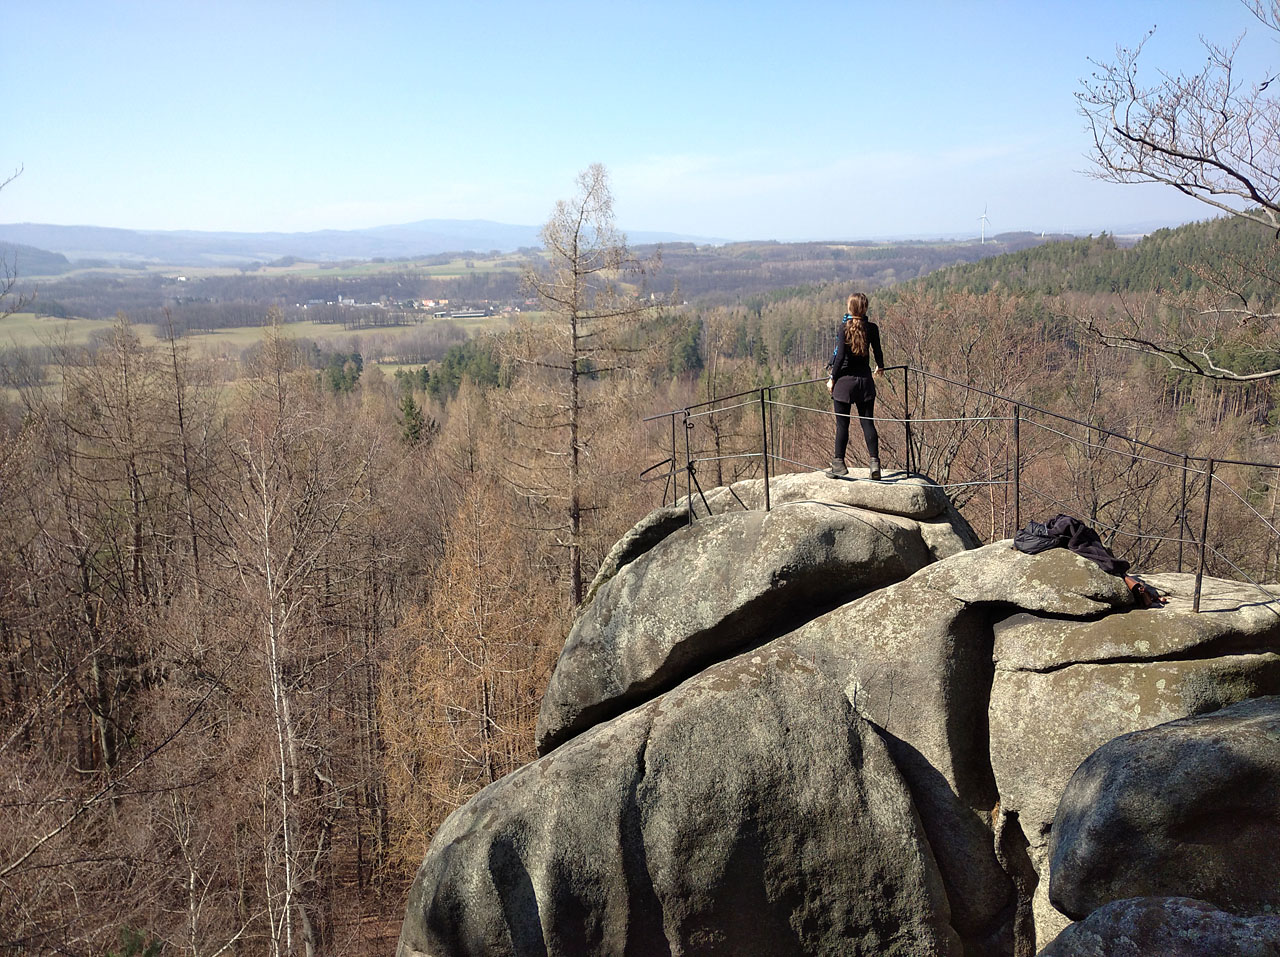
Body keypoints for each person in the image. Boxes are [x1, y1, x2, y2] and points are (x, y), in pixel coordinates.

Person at [827, 292, 885, 478]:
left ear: (850, 308)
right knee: (868, 423)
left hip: (844, 384)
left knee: (842, 425)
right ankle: (874, 464)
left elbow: (840, 357)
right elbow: (877, 350)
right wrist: (880, 366)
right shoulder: (872, 328)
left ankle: (839, 464)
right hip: (865, 382)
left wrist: (832, 378)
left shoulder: (844, 328)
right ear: (865, 308)